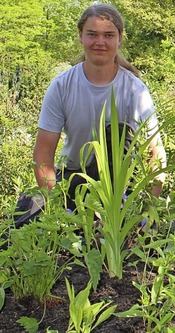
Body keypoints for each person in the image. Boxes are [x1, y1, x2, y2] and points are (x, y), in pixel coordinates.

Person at [32, 3, 166, 213]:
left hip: (121, 187)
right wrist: (55, 206)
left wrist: (148, 209)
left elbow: (156, 153)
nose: (100, 42)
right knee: (18, 228)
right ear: (81, 37)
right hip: (72, 181)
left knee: (118, 132)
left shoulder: (135, 91)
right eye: (92, 34)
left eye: (108, 35)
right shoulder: (61, 86)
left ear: (120, 39)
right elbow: (43, 153)